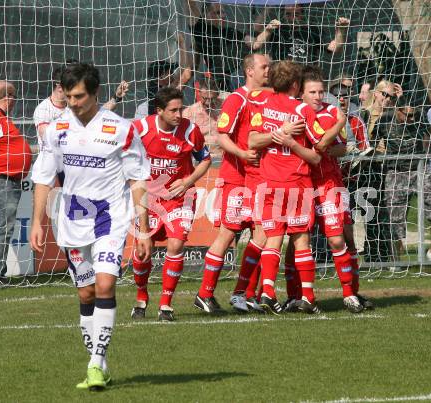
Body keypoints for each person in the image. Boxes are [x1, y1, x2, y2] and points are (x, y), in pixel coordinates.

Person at [30, 63, 151, 390]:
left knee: (104, 286)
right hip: (70, 222)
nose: (74, 102)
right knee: (85, 292)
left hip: (110, 219)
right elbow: (43, 177)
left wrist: (142, 226)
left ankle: (95, 363)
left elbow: (138, 178)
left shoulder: (121, 128)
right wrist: (38, 222)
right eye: (69, 96)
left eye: (80, 96)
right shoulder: (56, 130)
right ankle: (101, 363)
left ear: (96, 93)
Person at [248, 60, 346, 315]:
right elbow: (319, 150)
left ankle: (268, 291)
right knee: (301, 239)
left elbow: (251, 140)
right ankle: (309, 297)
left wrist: (275, 133)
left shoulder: (263, 106)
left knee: (273, 238)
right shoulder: (303, 111)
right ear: (295, 85)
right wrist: (339, 122)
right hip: (296, 183)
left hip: (268, 182)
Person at [284, 66, 372, 313]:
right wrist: (335, 131)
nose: (318, 96)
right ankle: (295, 295)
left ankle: (350, 293)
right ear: (301, 92)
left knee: (338, 239)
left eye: (321, 91)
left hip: (330, 184)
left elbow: (343, 147)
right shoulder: (295, 113)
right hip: (300, 184)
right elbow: (320, 144)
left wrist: (336, 147)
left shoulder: (332, 110)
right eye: (312, 92)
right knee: (296, 242)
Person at [193, 53, 270, 314]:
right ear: (250, 70)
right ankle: (205, 294)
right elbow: (222, 136)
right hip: (236, 177)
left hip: (258, 178)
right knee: (229, 233)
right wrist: (241, 153)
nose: (268, 70)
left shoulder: (267, 100)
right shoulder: (237, 99)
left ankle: (244, 293)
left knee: (263, 232)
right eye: (264, 66)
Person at [131, 87, 211, 321]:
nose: (178, 115)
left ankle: (166, 304)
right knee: (143, 250)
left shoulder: (190, 131)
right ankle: (141, 296)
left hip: (180, 198)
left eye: (181, 109)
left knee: (176, 245)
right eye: (173, 110)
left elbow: (205, 160)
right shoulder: (141, 129)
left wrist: (188, 181)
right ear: (159, 111)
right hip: (149, 198)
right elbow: (132, 168)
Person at [353, 79, 402, 264]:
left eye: (391, 96)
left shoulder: (393, 116)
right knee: (366, 210)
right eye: (385, 95)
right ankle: (365, 251)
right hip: (367, 166)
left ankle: (378, 253)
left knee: (381, 212)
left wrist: (401, 100)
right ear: (376, 94)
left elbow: (408, 125)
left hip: (386, 166)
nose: (388, 99)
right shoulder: (364, 114)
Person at [185, 1, 280, 92]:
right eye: (217, 13)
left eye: (223, 12)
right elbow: (191, 5)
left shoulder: (230, 32)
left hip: (236, 78)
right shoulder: (200, 28)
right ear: (206, 15)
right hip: (216, 82)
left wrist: (268, 29)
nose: (222, 16)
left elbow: (255, 44)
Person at [0, 81, 32, 284]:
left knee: (2, 227)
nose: (15, 100)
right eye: (14, 96)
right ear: (8, 96)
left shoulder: (0, 116)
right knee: (1, 227)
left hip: (7, 180)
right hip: (1, 180)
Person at [34, 61, 130, 144]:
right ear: (60, 87)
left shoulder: (71, 104)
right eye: (71, 85)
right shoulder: (43, 108)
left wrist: (116, 98)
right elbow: (47, 135)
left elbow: (99, 113)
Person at [381, 100, 431, 258]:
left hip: (420, 169)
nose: (411, 119)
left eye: (413, 115)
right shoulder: (385, 121)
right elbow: (373, 138)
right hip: (396, 171)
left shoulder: (420, 120)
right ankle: (396, 255)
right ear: (397, 111)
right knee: (393, 215)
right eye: (407, 115)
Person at [253, 5, 350, 70]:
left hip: (306, 77)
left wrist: (341, 30)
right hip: (282, 76)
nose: (292, 18)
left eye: (297, 14)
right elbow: (256, 45)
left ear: (303, 15)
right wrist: (268, 30)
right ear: (283, 15)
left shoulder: (313, 30)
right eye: (288, 14)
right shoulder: (277, 29)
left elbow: (334, 48)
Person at [183, 78, 223, 159]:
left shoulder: (225, 106)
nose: (208, 102)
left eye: (212, 99)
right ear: (199, 93)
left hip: (224, 155)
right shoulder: (189, 113)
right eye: (205, 98)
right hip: (202, 158)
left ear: (217, 94)